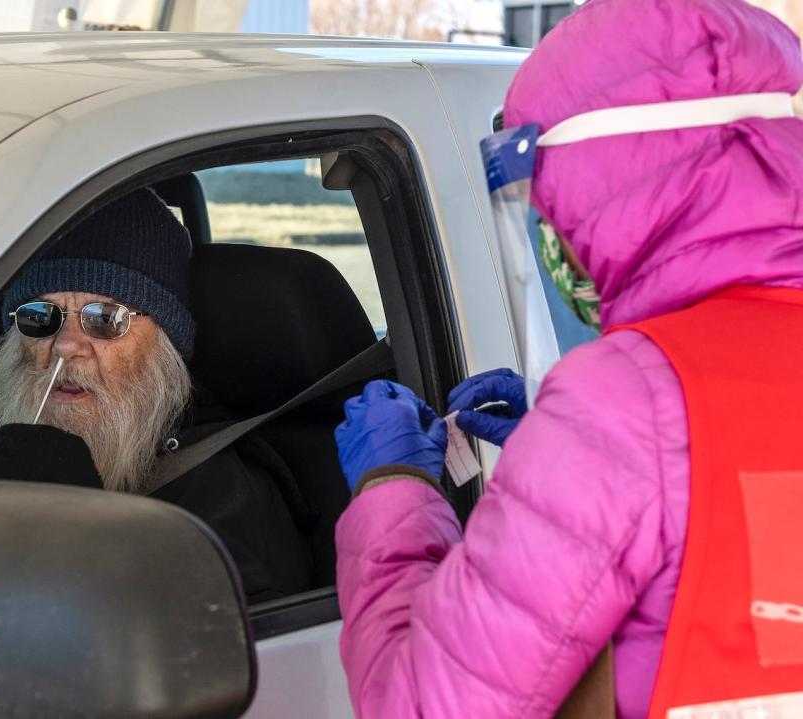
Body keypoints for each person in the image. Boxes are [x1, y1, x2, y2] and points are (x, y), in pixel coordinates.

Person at [332, 1, 803, 717]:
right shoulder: (652, 409)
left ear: (610, 182)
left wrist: (391, 491)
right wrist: (572, 471)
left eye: (549, 201)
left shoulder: (627, 404)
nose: (552, 237)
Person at [0, 188, 313, 604]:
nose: (66, 345)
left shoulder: (222, 491)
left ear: (165, 343)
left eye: (105, 318)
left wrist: (79, 529)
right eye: (40, 315)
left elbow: (218, 653)